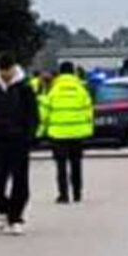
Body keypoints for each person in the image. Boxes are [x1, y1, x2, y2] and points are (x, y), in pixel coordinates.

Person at [0, 54, 39, 235]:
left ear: (14, 68)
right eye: (3, 70)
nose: (6, 74)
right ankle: (3, 208)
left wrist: (29, 136)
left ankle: (16, 216)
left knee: (20, 181)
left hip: (18, 141)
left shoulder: (25, 88)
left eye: (9, 70)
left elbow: (32, 115)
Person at [42, 61, 94, 204]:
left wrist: (40, 130)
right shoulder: (81, 90)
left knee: (61, 166)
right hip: (77, 133)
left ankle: (63, 195)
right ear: (73, 73)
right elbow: (89, 111)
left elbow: (44, 112)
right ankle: (77, 194)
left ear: (60, 73)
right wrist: (88, 127)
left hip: (58, 134)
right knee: (76, 164)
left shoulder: (54, 90)